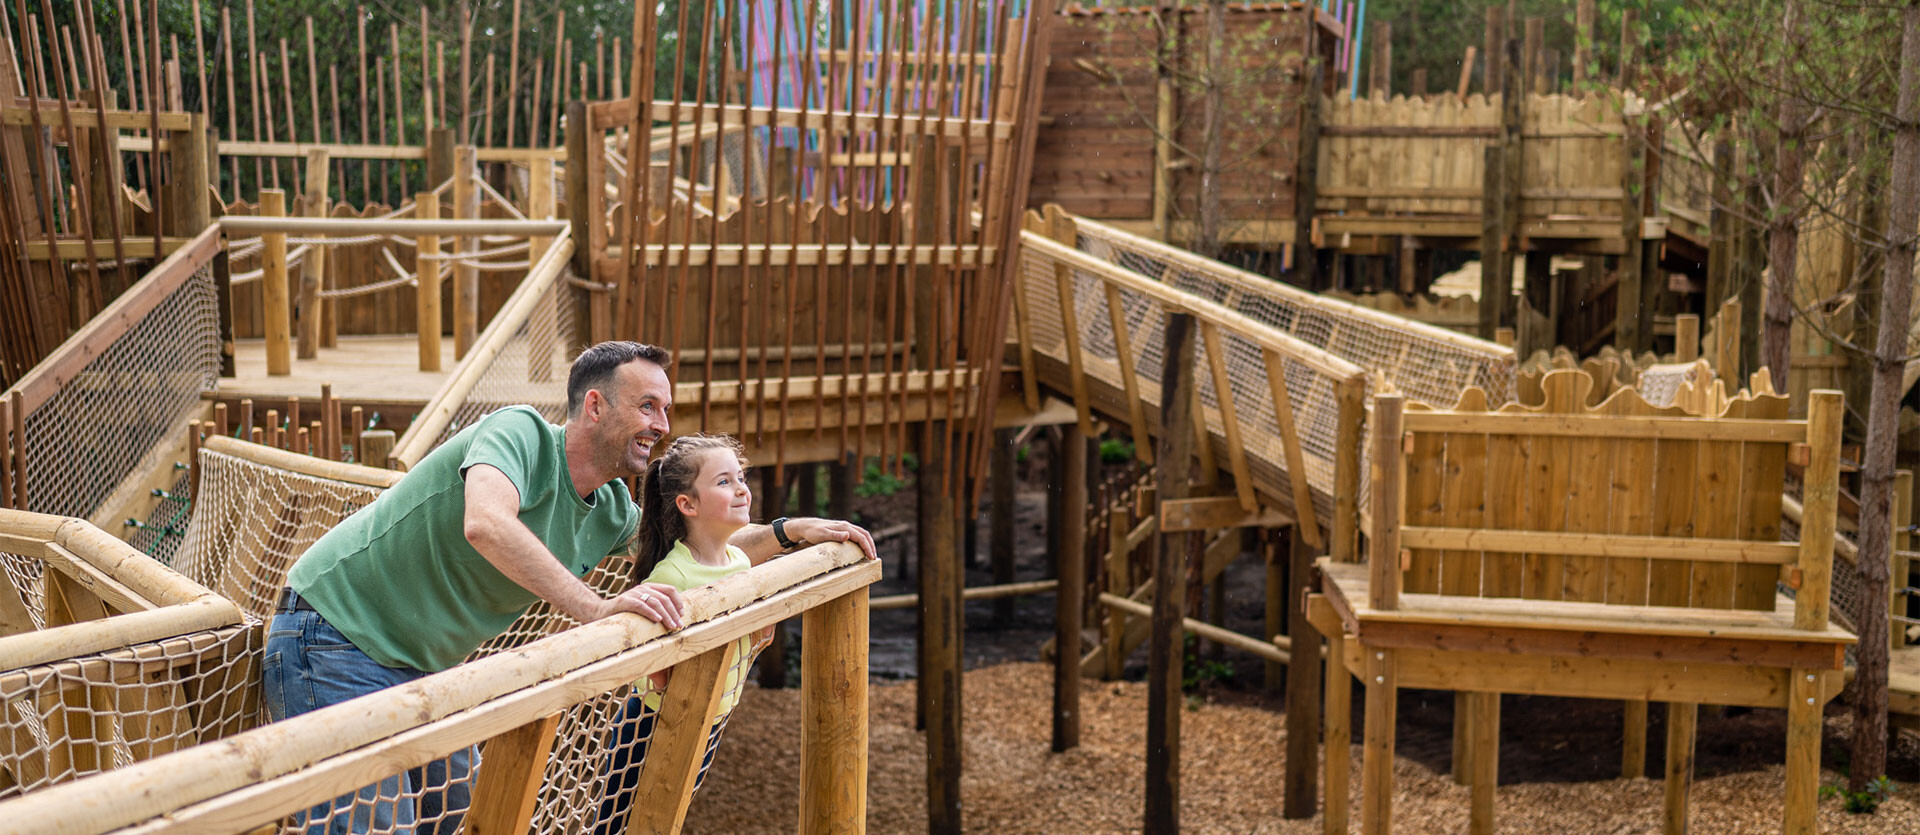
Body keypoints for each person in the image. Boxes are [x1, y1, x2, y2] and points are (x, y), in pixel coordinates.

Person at [261, 341, 875, 835]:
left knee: (466, 818)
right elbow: (486, 523)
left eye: (665, 410)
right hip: (333, 636)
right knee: (374, 825)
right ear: (595, 406)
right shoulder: (519, 434)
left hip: (424, 667)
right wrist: (594, 606)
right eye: (648, 407)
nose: (661, 426)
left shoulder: (609, 509)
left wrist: (791, 531)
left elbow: (704, 544)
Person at [592, 434, 768, 834]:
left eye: (741, 478)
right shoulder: (673, 575)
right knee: (622, 824)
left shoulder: (740, 560)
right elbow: (647, 664)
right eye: (724, 481)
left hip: (712, 714)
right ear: (688, 505)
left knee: (668, 816)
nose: (742, 489)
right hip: (654, 722)